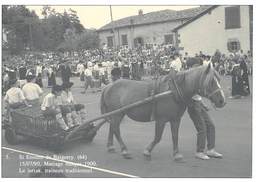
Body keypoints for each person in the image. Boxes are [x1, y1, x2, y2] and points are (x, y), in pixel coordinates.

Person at [187, 95, 223, 160]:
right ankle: (199, 152)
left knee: (211, 125)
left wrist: (202, 104)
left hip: (199, 104)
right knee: (202, 128)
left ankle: (210, 150)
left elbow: (198, 95)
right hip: (192, 104)